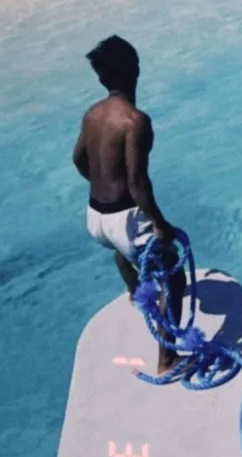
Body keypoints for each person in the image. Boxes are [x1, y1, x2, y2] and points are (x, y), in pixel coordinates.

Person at [72, 36, 182, 373]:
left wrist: (103, 187)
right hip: (124, 219)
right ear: (136, 69)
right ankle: (168, 358)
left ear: (102, 79)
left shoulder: (92, 114)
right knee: (172, 274)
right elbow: (137, 183)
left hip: (96, 219)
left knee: (127, 247)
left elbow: (77, 159)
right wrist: (161, 224)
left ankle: (134, 290)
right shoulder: (135, 121)